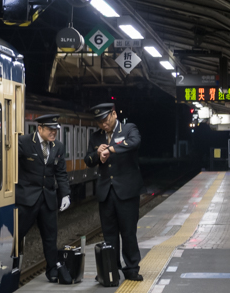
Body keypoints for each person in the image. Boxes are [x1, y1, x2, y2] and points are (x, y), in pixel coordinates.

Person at [85, 103, 144, 282]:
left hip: (127, 191)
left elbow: (134, 143)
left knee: (128, 232)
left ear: (114, 114)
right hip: (106, 191)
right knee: (109, 233)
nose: (103, 125)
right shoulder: (96, 137)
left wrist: (110, 149)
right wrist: (97, 154)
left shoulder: (128, 129)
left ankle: (132, 268)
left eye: (105, 120)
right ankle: (111, 269)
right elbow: (88, 159)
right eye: (99, 122)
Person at [17, 114, 72, 283]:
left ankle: (52, 270)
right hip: (27, 198)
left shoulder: (58, 146)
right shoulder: (24, 142)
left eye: (55, 129)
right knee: (17, 235)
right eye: (50, 129)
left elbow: (61, 173)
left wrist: (65, 194)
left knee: (50, 237)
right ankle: (11, 267)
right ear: (39, 128)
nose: (53, 132)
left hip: (48, 199)